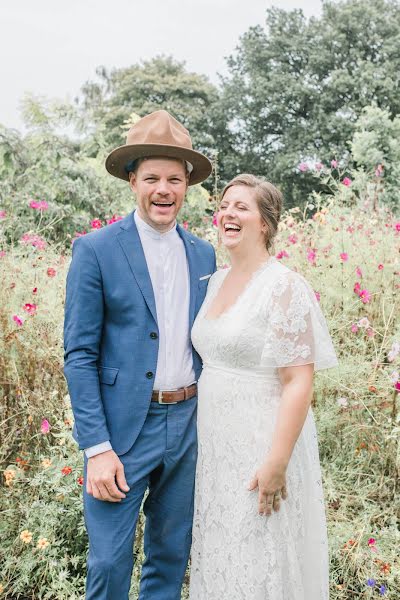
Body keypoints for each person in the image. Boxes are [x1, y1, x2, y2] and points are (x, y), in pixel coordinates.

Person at [63, 110, 216, 600]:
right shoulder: (96, 249)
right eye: (151, 177)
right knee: (109, 562)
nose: (163, 189)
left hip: (188, 423)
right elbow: (80, 354)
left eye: (174, 178)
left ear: (187, 183)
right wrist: (97, 449)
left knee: (169, 559)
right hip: (122, 430)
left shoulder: (204, 254)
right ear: (133, 180)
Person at [189, 174, 338, 600]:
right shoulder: (215, 281)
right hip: (216, 446)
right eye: (224, 205)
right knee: (222, 551)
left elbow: (297, 381)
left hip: (261, 443)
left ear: (265, 223)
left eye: (241, 207)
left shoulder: (284, 286)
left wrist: (276, 462)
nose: (227, 214)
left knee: (259, 556)